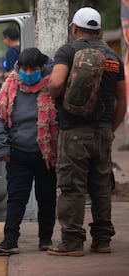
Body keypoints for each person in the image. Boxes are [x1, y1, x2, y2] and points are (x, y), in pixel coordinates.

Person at [47, 7, 126, 257]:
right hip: (103, 132)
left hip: (74, 132)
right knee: (101, 187)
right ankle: (102, 240)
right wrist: (110, 128)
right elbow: (122, 100)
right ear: (100, 30)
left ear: (74, 28)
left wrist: (51, 94)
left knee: (72, 187)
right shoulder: (113, 56)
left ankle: (71, 243)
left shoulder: (68, 51)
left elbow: (57, 83)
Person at [0, 47, 58, 255]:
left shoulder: (54, 85)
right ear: (19, 68)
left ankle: (45, 239)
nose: (29, 73)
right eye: (25, 69)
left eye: (33, 69)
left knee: (46, 198)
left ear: (41, 67)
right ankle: (10, 240)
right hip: (18, 154)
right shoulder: (10, 85)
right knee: (16, 198)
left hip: (46, 155)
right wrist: (2, 147)